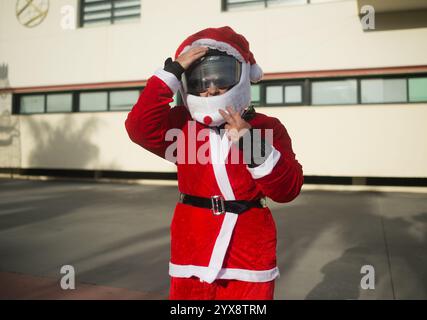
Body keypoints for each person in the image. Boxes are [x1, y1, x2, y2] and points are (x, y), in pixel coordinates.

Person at [125, 26, 304, 300]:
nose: (211, 89)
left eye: (220, 77)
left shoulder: (267, 127)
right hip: (193, 244)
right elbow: (139, 127)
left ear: (241, 75)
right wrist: (170, 75)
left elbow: (287, 189)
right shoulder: (182, 125)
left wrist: (248, 141)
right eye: (200, 80)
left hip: (249, 251)